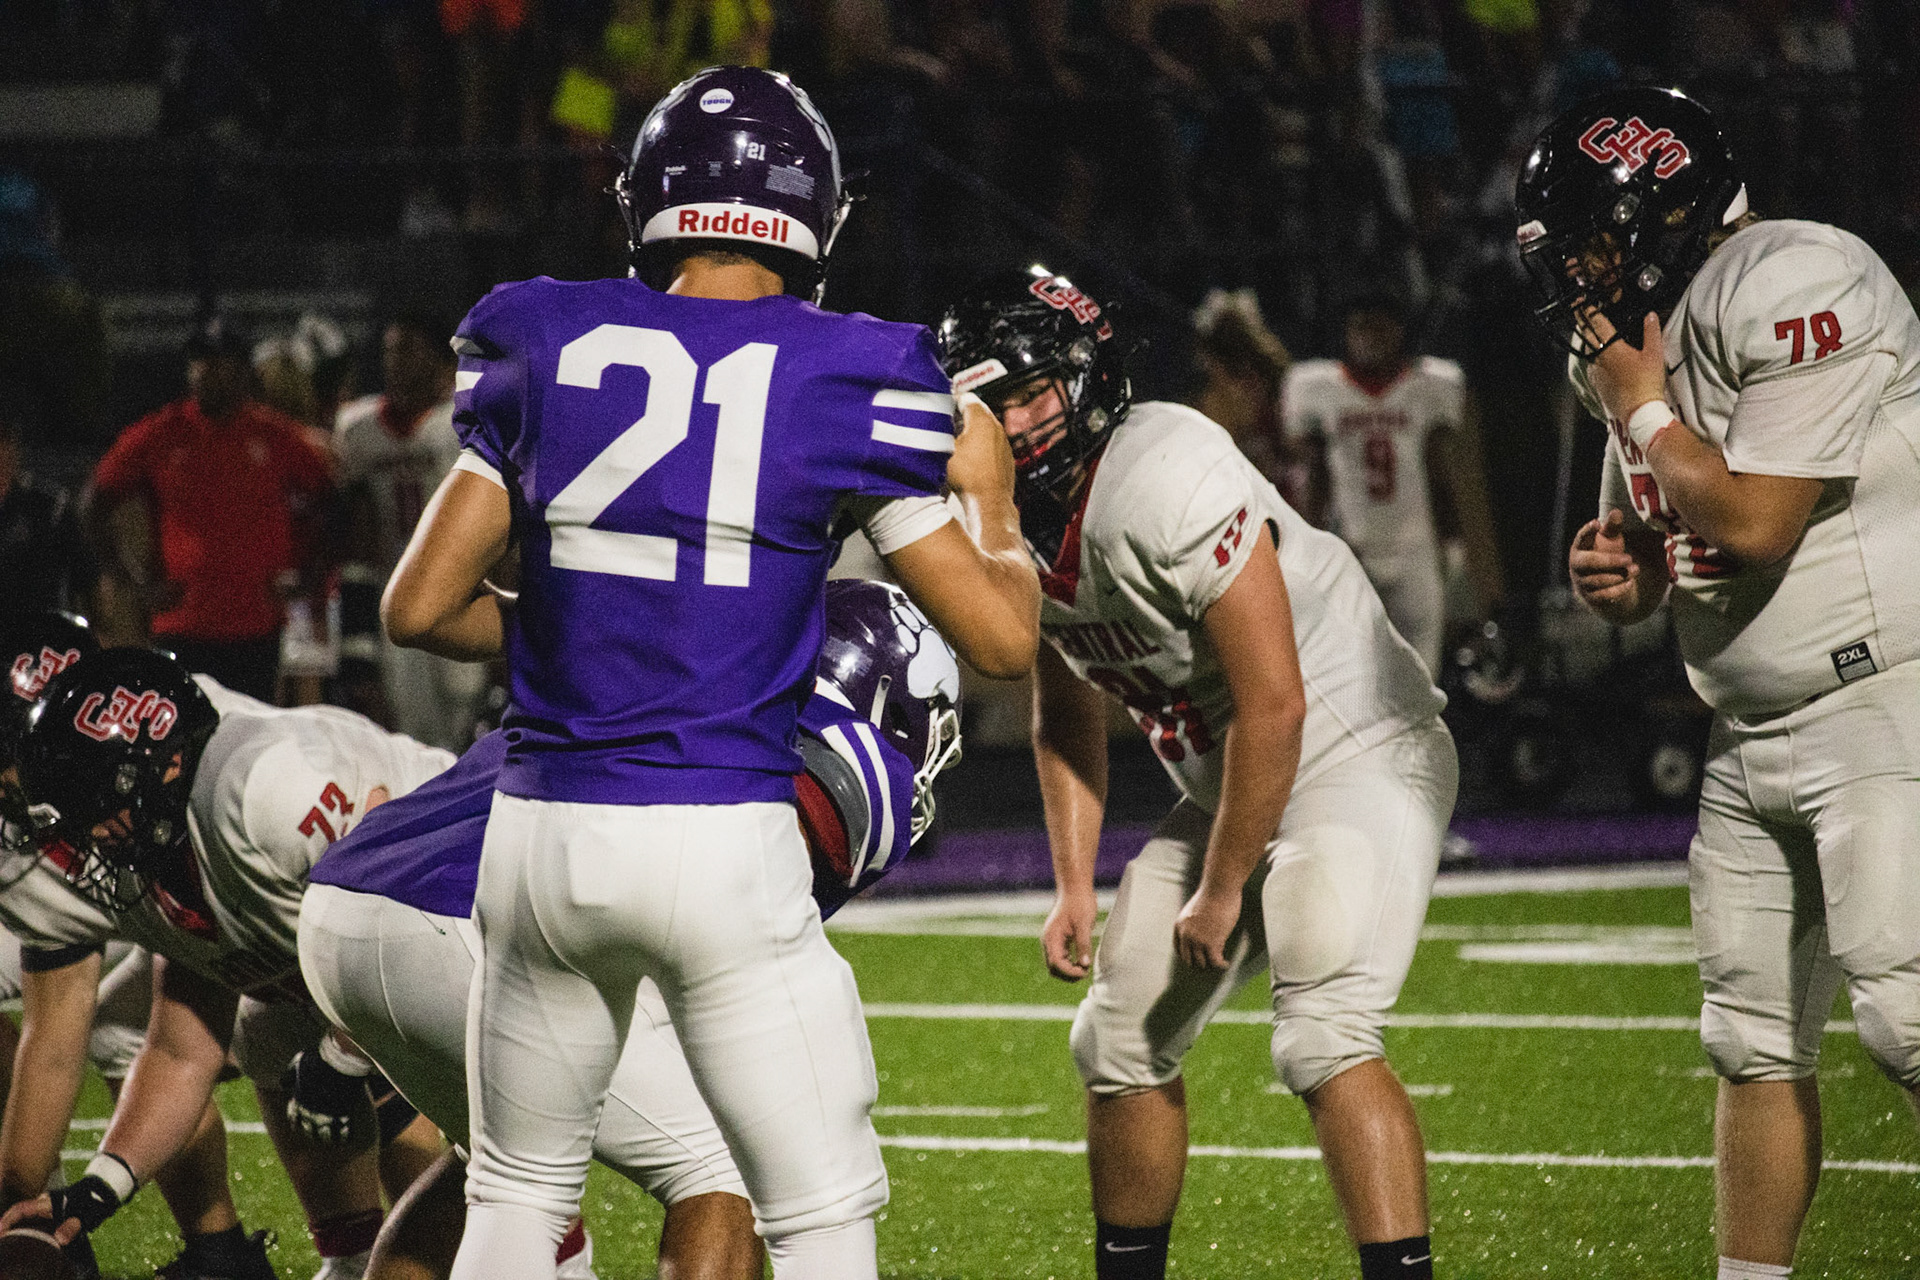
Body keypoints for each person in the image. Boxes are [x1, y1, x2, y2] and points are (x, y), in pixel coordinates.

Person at [379, 65, 1038, 1280]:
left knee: (516, 1197)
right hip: (720, 833)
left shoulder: (541, 331)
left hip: (537, 832)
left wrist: (600, 629)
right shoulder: (854, 369)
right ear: (813, 210)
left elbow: (417, 605)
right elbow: (1002, 641)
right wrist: (989, 501)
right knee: (820, 1213)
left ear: (651, 200)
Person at [937, 266, 1455, 1280]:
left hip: (1354, 745)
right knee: (1118, 1038)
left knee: (1323, 1032)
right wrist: (1075, 883)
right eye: (986, 405)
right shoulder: (997, 513)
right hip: (1235, 781)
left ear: (1084, 376)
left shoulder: (1164, 469)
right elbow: (1065, 704)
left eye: (1030, 393)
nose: (1013, 424)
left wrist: (1221, 887)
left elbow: (1276, 702)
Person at [1524, 85, 1920, 1280]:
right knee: (1749, 1040)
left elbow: (1752, 517)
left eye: (1593, 238)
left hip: (1883, 697)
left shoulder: (1798, 275)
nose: (1579, 268)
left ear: (1666, 213)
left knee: (1906, 1013)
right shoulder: (1636, 330)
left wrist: (1642, 407)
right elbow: (1669, 531)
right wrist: (1626, 571)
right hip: (1748, 727)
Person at [299, 578, 961, 1280]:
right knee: (732, 1160)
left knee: (497, 1173)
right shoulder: (797, 761)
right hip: (465, 919)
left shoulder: (681, 676)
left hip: (348, 906)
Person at [0, 648, 453, 1280]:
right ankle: (352, 1256)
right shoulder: (152, 861)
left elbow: (401, 907)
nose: (89, 836)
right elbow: (181, 1049)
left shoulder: (261, 788)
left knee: (513, 1165)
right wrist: (99, 1188)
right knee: (265, 1029)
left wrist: (342, 1057)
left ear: (161, 769)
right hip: (397, 959)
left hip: (472, 917)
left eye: (96, 806)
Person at [85, 316, 335, 698]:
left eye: (219, 362)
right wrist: (133, 582)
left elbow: (331, 504)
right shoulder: (162, 432)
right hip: (181, 623)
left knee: (251, 728)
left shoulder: (275, 435)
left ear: (243, 371)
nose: (206, 371)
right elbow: (95, 502)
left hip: (256, 625)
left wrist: (309, 576)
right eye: (199, 361)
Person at [1281, 290, 1504, 675]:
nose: (1369, 337)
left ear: (1399, 330)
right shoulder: (1319, 387)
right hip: (1353, 548)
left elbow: (1444, 471)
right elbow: (1314, 473)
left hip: (1412, 548)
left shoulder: (1427, 385)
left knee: (1422, 673)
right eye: (1360, 326)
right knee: (1353, 672)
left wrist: (1453, 542)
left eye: (1379, 326)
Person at [334, 311, 486, 752]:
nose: (395, 362)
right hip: (396, 587)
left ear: (440, 359)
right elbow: (359, 534)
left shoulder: (466, 417)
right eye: (390, 351)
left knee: (468, 711)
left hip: (462, 587)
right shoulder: (359, 428)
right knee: (408, 725)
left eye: (408, 350)